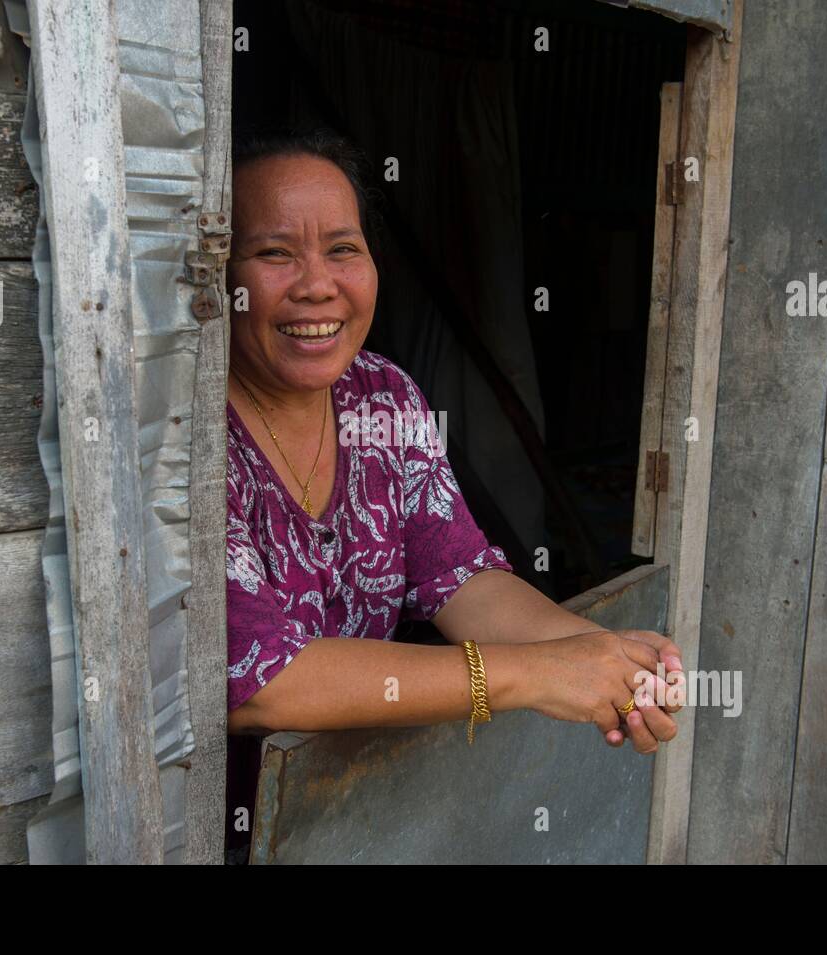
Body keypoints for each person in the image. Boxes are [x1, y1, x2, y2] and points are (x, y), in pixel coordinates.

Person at [224, 129, 685, 759]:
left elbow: (461, 580)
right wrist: (534, 675)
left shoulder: (382, 397)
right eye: (275, 254)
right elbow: (261, 683)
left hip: (357, 804)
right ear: (220, 273)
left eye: (342, 249)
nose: (317, 285)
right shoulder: (191, 438)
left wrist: (603, 659)